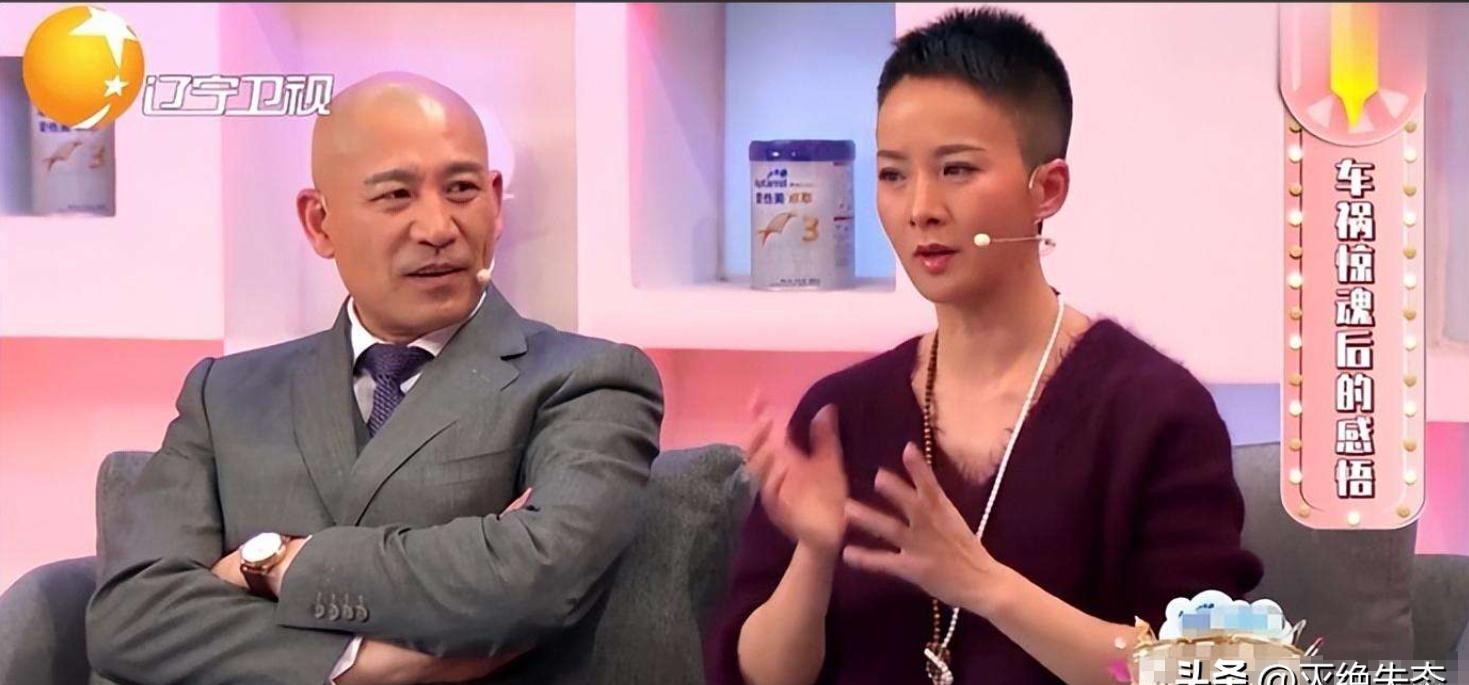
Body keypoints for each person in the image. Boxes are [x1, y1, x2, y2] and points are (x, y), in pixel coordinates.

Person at [706, 8, 1262, 685]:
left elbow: (1200, 668)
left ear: (1046, 189)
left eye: (957, 169)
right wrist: (815, 555)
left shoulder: (1154, 412)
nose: (920, 208)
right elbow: (760, 676)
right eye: (893, 175)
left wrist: (987, 587)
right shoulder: (839, 414)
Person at [85, 73, 663, 685]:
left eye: (462, 189)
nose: (438, 227)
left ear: (495, 203)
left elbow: (536, 578)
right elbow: (131, 616)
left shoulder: (587, 380)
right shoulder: (225, 394)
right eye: (396, 195)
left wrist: (279, 562)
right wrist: (355, 666)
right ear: (320, 223)